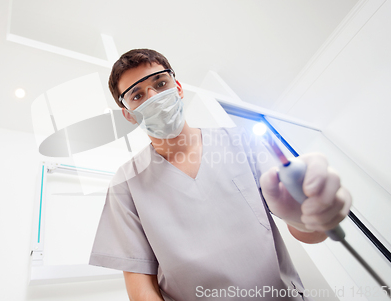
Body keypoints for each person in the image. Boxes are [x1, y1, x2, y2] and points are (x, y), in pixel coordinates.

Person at [89, 49, 352, 301]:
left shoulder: (240, 143)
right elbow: (140, 287)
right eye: (137, 95)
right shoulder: (127, 185)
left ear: (177, 87)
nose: (153, 97)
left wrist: (311, 217)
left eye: (160, 84)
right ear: (128, 115)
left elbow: (309, 232)